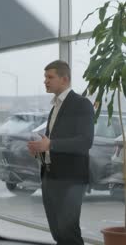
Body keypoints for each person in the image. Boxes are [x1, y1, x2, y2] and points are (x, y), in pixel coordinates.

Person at [27, 60, 94, 245]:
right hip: (50, 177)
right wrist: (39, 150)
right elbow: (51, 143)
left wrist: (50, 145)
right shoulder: (54, 106)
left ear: (64, 79)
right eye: (45, 77)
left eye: (50, 77)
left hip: (71, 180)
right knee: (57, 233)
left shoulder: (82, 104)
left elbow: (85, 141)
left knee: (69, 233)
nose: (45, 81)